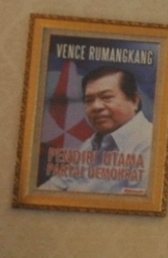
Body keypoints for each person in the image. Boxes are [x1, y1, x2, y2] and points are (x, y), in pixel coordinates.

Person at [42, 67, 152, 196]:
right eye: (89, 100)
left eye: (106, 97)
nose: (96, 106)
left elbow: (136, 206)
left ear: (135, 100)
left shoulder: (149, 144)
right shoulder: (90, 144)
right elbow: (54, 187)